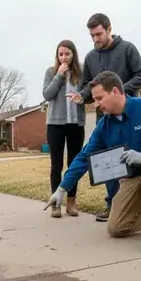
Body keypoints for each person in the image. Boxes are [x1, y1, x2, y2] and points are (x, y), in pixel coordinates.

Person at [47, 71, 141, 253]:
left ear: (114, 91)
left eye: (99, 98)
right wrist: (62, 189)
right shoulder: (105, 125)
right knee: (116, 228)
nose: (96, 104)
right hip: (134, 178)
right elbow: (84, 157)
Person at [67, 13, 141, 223]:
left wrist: (118, 92)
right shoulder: (91, 58)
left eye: (99, 34)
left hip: (129, 113)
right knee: (108, 159)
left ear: (109, 29)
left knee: (132, 159)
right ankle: (112, 204)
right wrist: (82, 95)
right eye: (92, 35)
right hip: (106, 117)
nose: (95, 39)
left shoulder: (127, 48)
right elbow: (88, 85)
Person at [42, 40, 86, 218]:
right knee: (56, 164)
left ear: (73, 54)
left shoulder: (81, 72)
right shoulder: (51, 71)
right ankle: (56, 203)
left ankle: (71, 201)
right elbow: (47, 94)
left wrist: (81, 98)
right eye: (60, 54)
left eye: (67, 54)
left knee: (74, 164)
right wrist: (59, 76)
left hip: (76, 123)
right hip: (55, 124)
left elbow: (87, 93)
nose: (64, 57)